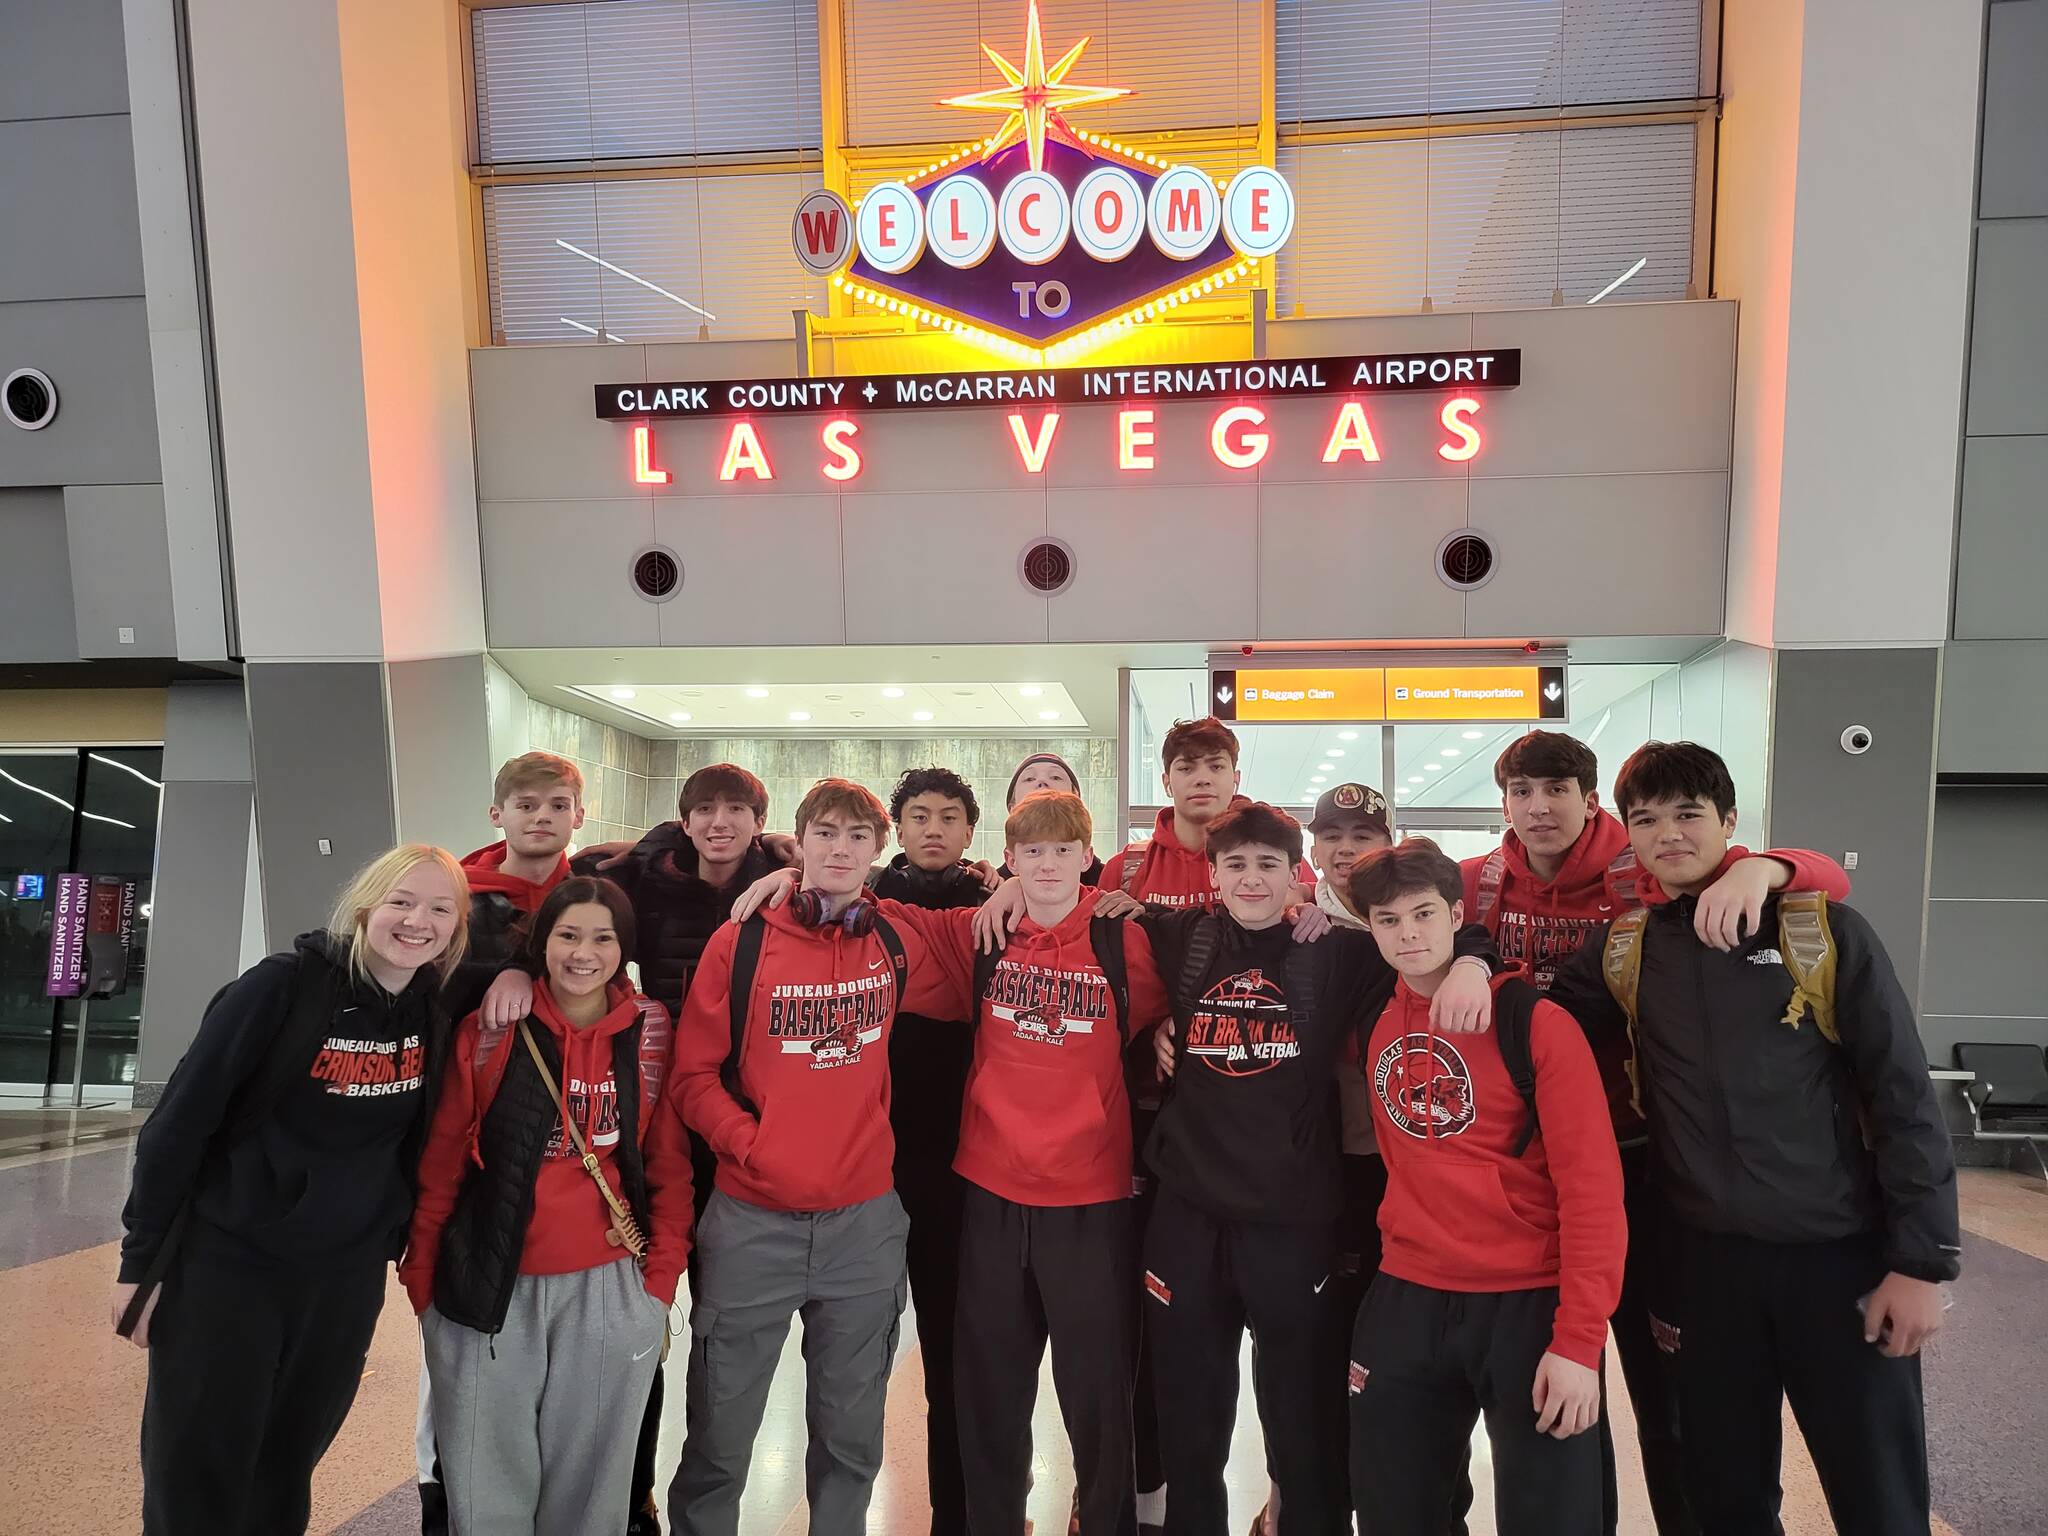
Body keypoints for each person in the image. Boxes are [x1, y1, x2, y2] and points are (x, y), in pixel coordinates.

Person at [1547, 742, 1959, 1536]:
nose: (1668, 834)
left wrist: (1922, 1263)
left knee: (1879, 1494)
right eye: (1647, 819)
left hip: (1840, 1262)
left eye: (1689, 814)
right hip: (1707, 1272)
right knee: (1725, 1497)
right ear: (1626, 834)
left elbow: (1904, 1098)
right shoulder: (1627, 949)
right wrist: (1460, 961)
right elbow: (1535, 1025)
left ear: (1730, 821)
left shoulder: (1822, 930)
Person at [1463, 730, 1851, 1536]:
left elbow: (1824, 879)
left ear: (1592, 799)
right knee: (1558, 1393)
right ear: (1503, 802)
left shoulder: (1643, 871)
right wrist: (1469, 954)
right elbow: (1370, 896)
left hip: (1649, 1165)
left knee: (1672, 1400)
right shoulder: (1478, 883)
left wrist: (1770, 865)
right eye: (1522, 793)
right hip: (1530, 1174)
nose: (1539, 809)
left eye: (1557, 790)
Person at [1137, 802, 1496, 1536]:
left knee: (1302, 1421)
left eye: (1269, 864)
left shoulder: (1335, 952)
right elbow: (1092, 912)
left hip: (1293, 1221)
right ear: (1211, 874)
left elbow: (1435, 934)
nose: (1251, 878)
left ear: (1294, 873)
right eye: (1235, 864)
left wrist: (1475, 963)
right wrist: (1152, 1024)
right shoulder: (1183, 937)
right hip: (1188, 1216)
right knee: (1189, 1420)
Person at [114, 844, 470, 1536]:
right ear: (366, 908)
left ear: (456, 928)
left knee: (286, 1463)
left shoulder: (429, 1012)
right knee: (199, 1468)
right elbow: (178, 1125)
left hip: (343, 1279)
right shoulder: (282, 989)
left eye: (438, 909)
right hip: (230, 1268)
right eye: (401, 901)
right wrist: (139, 1262)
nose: (416, 921)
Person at [663, 778, 966, 1536]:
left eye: (857, 836)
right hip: (751, 1223)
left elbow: (998, 943)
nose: (841, 848)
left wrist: (1005, 885)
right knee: (720, 1439)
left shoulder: (892, 937)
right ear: (799, 845)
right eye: (825, 834)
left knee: (851, 1437)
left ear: (876, 850)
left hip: (864, 1227)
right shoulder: (743, 941)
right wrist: (753, 1145)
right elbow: (692, 1078)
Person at [1349, 840, 1625, 1536]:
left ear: (1455, 915)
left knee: (1552, 1515)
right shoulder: (1374, 1018)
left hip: (1526, 1300)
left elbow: (1591, 1192)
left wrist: (1577, 1343)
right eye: (1387, 920)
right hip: (1407, 1291)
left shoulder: (1534, 1024)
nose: (1408, 934)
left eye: (1423, 914)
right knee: (1395, 1510)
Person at [402, 876, 690, 1534]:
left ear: (624, 950)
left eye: (601, 938)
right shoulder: (493, 1029)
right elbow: (444, 1158)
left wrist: (658, 1286)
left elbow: (668, 1164)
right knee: (485, 1487)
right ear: (542, 944)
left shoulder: (648, 1031)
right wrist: (423, 1285)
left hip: (609, 1289)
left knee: (592, 1495)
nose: (582, 953)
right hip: (488, 1291)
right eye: (567, 935)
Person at [1098, 716, 1310, 1529]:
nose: (1200, 779)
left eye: (1215, 765)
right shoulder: (1123, 868)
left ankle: (1290, 1498)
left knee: (1286, 1361)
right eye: (1185, 766)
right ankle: (1149, 1495)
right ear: (1166, 779)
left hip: (1262, 1148)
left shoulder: (1274, 858)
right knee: (1158, 1336)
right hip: (1150, 1135)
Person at [421, 750, 586, 1534]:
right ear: (499, 813)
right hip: (472, 1133)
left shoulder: (592, 893)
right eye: (526, 804)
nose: (541, 817)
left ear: (577, 816)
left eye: (557, 804)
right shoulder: (455, 897)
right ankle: (442, 1492)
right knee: (460, 1338)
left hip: (564, 1144)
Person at [869, 766, 990, 1536]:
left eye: (950, 815)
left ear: (971, 831)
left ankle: (961, 1515)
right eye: (920, 815)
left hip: (961, 1165)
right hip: (869, 1162)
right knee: (853, 1359)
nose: (935, 827)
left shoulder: (997, 908)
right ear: (899, 828)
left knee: (953, 1361)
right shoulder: (853, 907)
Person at [998, 751, 1104, 886]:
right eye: (1030, 779)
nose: (1042, 782)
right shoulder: (990, 890)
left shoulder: (1108, 884)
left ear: (1076, 798)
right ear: (1012, 807)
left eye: (1055, 777)